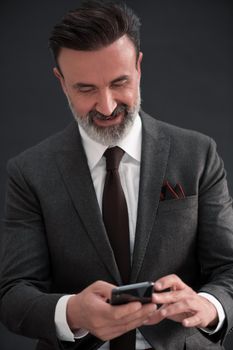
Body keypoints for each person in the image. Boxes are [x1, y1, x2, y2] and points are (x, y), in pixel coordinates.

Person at [1, 1, 233, 349]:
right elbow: (13, 294)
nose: (107, 106)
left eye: (119, 82)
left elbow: (229, 268)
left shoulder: (198, 153)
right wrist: (73, 311)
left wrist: (207, 306)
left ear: (139, 67)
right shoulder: (29, 172)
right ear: (61, 82)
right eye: (85, 89)